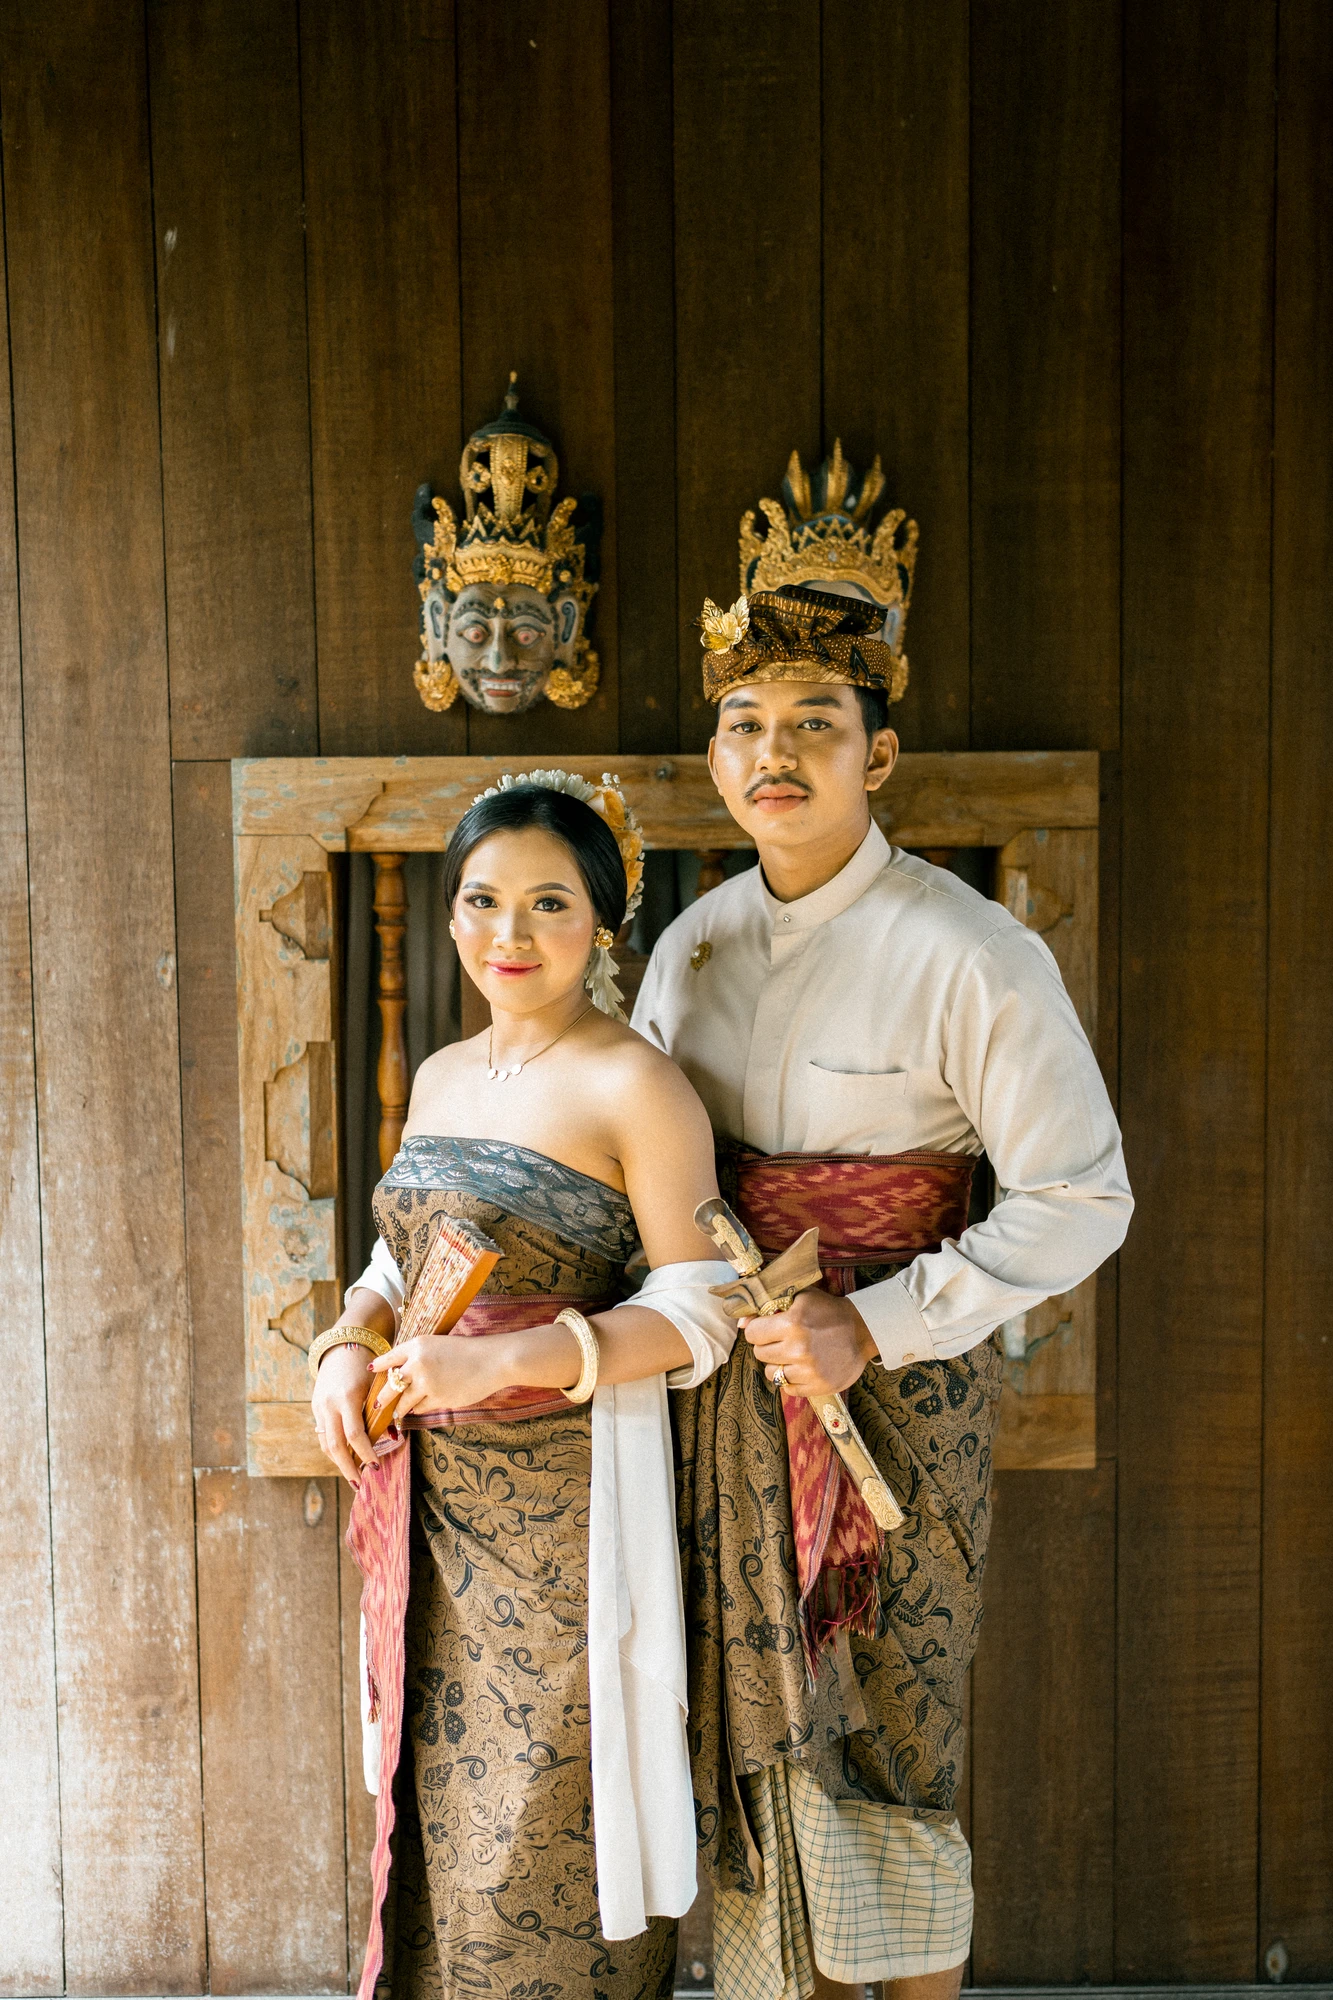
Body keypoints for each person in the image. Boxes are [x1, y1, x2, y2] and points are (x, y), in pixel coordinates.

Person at [632, 583, 1133, 2000]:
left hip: (896, 1405)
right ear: (716, 755)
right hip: (726, 1405)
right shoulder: (690, 948)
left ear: (879, 754)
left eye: (815, 722)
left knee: (891, 1731)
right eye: (745, 723)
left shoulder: (970, 950)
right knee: (750, 1726)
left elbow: (1084, 1194)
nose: (774, 751)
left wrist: (879, 1322)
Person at [313, 771, 737, 2000]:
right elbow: (406, 1254)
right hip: (434, 1512)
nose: (510, 931)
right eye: (483, 899)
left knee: (545, 1828)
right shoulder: (445, 1073)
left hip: (567, 1524)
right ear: (452, 912)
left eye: (549, 901)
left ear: (602, 918)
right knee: (437, 1821)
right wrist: (345, 1339)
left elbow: (703, 1305)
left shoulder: (635, 1082)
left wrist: (503, 1358)